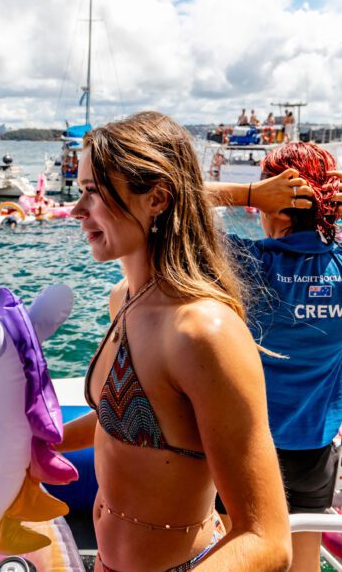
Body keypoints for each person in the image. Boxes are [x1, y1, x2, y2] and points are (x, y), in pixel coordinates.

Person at [63, 112, 291, 571]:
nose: (75, 210)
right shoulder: (123, 300)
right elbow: (126, 418)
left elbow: (268, 539)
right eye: (79, 189)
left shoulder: (204, 333)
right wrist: (43, 442)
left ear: (157, 199)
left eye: (93, 192)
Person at [206, 142, 342, 571]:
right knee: (303, 560)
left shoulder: (247, 263)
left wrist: (249, 193)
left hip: (246, 440)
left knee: (236, 547)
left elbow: (169, 205)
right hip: (315, 442)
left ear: (275, 208)